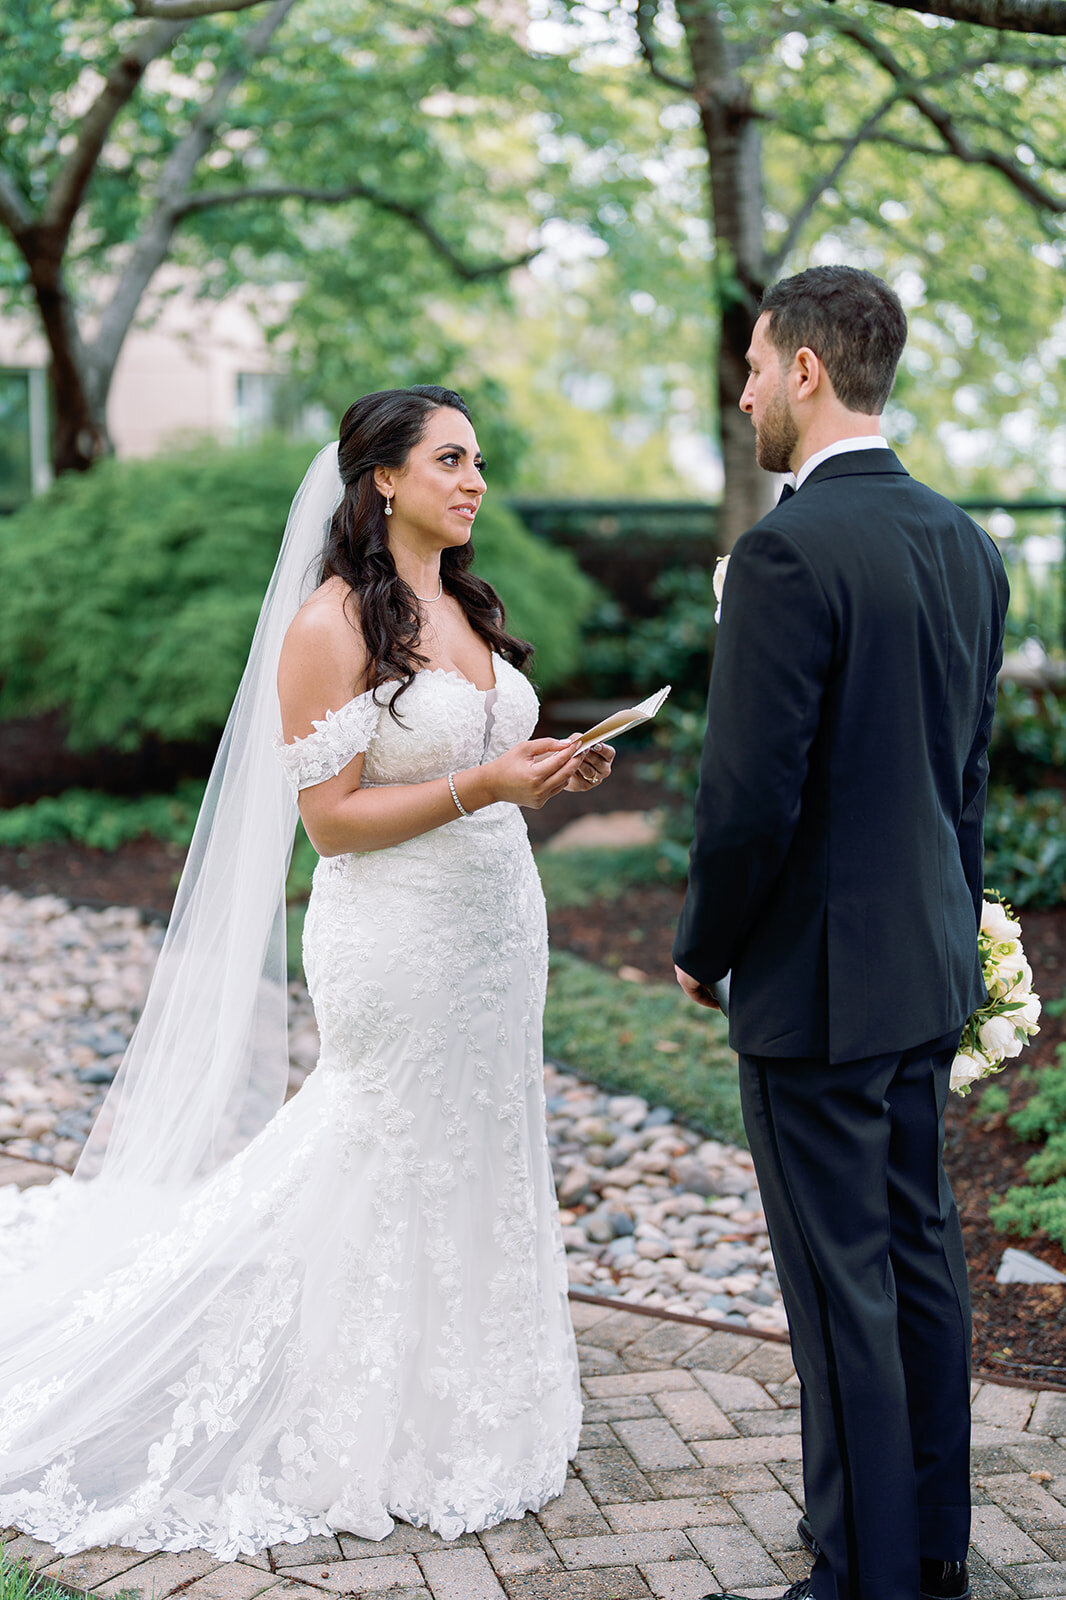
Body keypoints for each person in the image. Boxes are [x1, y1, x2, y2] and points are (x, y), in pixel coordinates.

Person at [0, 385, 613, 1558]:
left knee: (479, 1137)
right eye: (450, 459)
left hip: (496, 924)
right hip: (394, 934)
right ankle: (352, 1419)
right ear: (383, 478)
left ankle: (469, 1394)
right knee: (378, 1143)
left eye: (477, 458)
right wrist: (481, 786)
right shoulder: (329, 625)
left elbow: (479, 758)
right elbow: (329, 822)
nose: (474, 479)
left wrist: (538, 770)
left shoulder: (465, 603)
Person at [673, 268, 1008, 1600]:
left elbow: (748, 794)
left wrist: (705, 941)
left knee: (837, 1289)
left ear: (805, 370)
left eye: (754, 365)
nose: (743, 390)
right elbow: (963, 779)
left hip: (814, 985)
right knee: (919, 1259)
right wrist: (959, 930)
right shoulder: (963, 542)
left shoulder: (783, 551)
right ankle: (928, 1549)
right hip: (922, 965)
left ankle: (856, 1572)